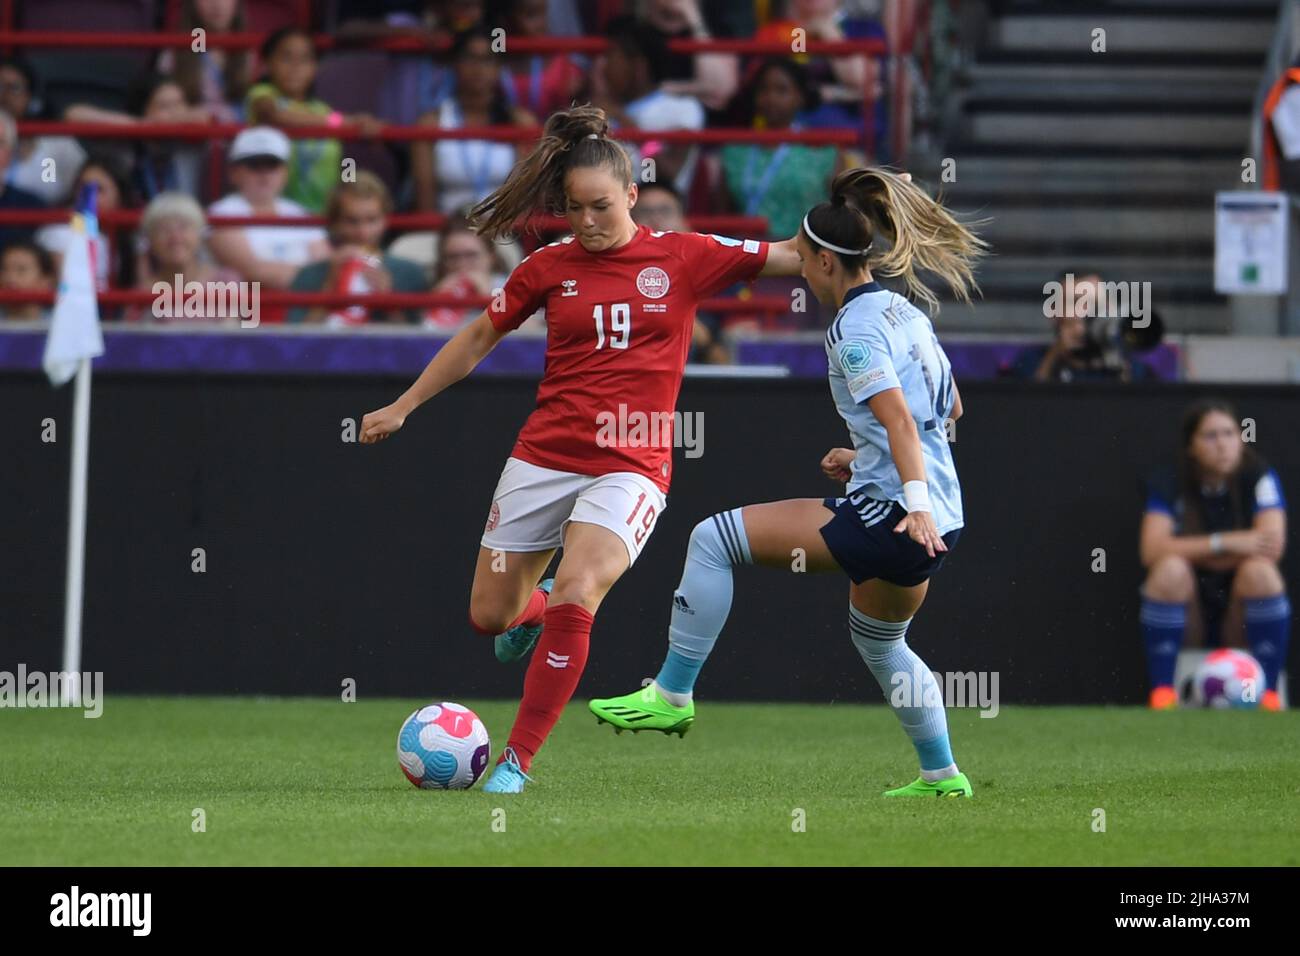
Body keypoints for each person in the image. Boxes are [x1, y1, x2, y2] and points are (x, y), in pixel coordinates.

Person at [357, 105, 805, 793]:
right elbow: (478, 337)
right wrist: (404, 405)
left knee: (580, 590)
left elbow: (792, 257)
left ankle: (517, 761)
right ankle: (528, 610)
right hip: (545, 454)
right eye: (573, 209)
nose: (588, 222)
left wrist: (856, 220)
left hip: (632, 463)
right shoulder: (548, 266)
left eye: (600, 206)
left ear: (631, 195)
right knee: (490, 616)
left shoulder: (685, 255)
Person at [590, 167, 991, 799]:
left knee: (711, 539)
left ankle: (671, 693)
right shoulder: (904, 310)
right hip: (942, 516)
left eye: (804, 261)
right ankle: (942, 776)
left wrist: (905, 498)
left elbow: (901, 423)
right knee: (882, 642)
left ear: (828, 263)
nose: (800, 272)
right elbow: (949, 411)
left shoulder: (853, 330)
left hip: (898, 515)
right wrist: (865, 459)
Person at [1139, 399, 1289, 711]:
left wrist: (1190, 549)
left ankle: (1267, 695)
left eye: (1230, 433)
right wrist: (1227, 543)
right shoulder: (1169, 480)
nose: (1222, 444)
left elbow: (1270, 547)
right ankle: (1163, 695)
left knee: (1260, 573)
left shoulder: (1259, 476)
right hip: (1191, 609)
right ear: (1191, 446)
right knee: (1169, 571)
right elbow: (1152, 551)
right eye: (1210, 436)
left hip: (1238, 612)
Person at [246, 27, 384, 212]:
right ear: (268, 63)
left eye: (305, 59)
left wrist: (368, 126)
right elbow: (275, 116)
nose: (295, 67)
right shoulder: (261, 95)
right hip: (275, 213)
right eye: (286, 58)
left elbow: (345, 160)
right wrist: (342, 122)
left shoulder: (323, 110)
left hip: (323, 214)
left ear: (315, 67)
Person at [410, 25, 537, 214]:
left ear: (498, 67)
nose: (478, 68)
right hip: (446, 236)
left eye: (487, 60)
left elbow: (524, 201)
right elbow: (425, 203)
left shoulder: (521, 122)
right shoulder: (430, 124)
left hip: (505, 236)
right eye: (470, 58)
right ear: (454, 64)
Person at [288, 172, 427, 325]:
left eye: (372, 220)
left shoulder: (410, 273)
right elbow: (297, 341)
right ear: (334, 224)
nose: (363, 232)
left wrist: (389, 301)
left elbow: (420, 343)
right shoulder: (308, 275)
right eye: (352, 221)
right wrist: (329, 288)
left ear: (385, 220)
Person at [208, 126, 330, 289]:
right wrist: (313, 278)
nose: (264, 174)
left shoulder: (300, 213)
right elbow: (252, 271)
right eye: (254, 165)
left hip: (304, 306)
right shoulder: (221, 213)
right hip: (252, 310)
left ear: (285, 172)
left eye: (272, 165)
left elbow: (325, 266)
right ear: (233, 172)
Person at [0, 239, 55, 320]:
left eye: (21, 270)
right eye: (4, 269)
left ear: (45, 280)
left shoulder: (61, 324)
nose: (10, 278)